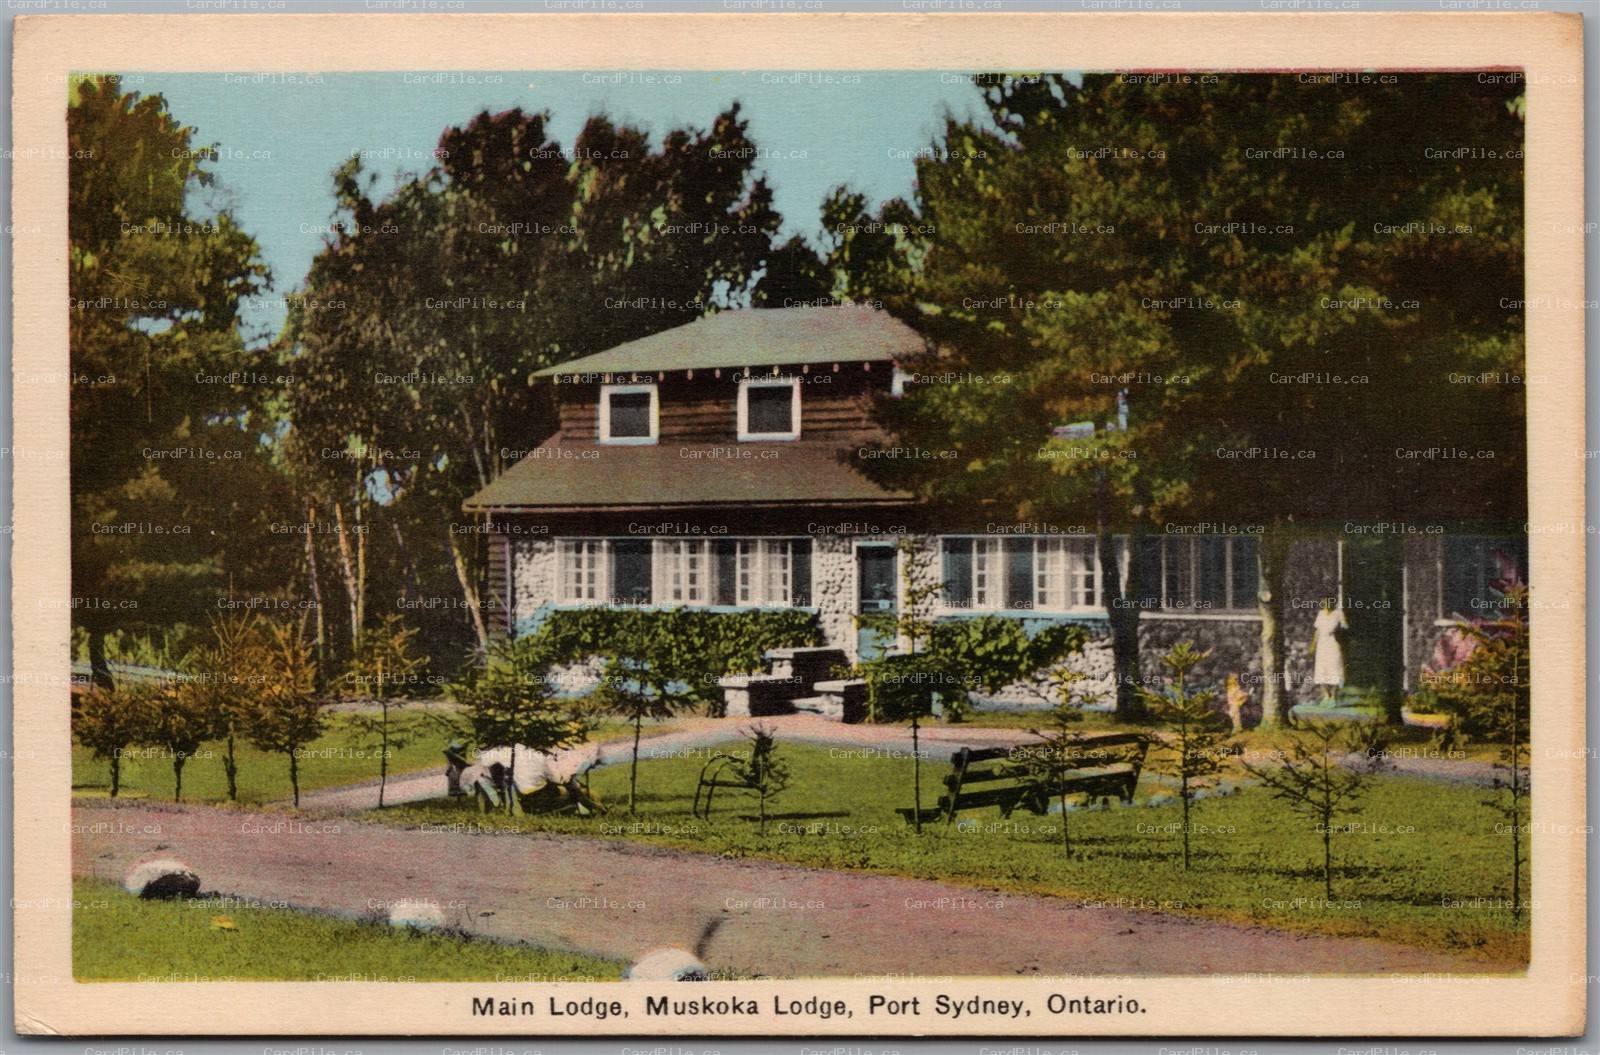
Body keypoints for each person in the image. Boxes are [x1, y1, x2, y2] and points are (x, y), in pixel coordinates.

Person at [1310, 598, 1348, 704]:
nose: (1326, 605)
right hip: (1322, 645)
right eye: (1324, 603)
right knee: (1322, 669)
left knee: (1335, 668)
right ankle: (1326, 695)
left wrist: (1341, 629)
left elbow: (1345, 628)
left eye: (1328, 602)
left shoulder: (1338, 613)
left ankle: (1334, 696)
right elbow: (1317, 631)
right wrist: (1313, 645)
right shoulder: (1321, 614)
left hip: (1333, 643)